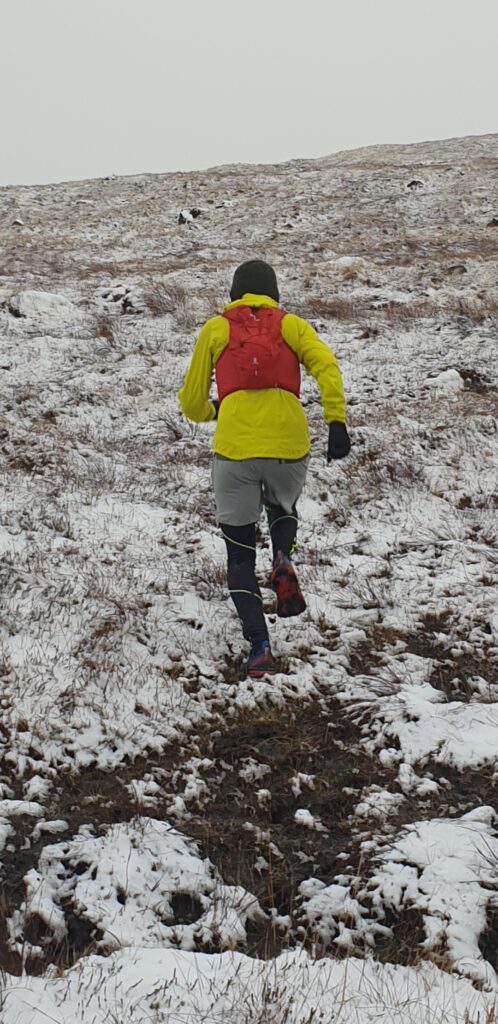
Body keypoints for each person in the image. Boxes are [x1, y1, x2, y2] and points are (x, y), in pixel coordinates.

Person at [178, 259, 350, 678]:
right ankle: (282, 557)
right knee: (282, 507)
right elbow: (326, 366)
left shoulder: (216, 328)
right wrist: (336, 420)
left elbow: (191, 402)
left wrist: (216, 409)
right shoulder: (291, 325)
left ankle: (259, 646)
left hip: (235, 450)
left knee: (238, 553)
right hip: (288, 444)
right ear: (273, 292)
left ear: (236, 292)